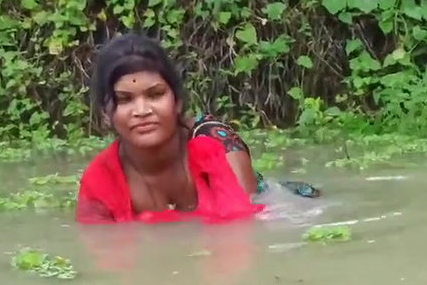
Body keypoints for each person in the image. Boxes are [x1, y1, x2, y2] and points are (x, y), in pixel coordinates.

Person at [74, 32, 317, 224]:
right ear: (106, 113)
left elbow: (243, 229)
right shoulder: (99, 181)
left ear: (177, 101)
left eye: (155, 95)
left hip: (282, 201)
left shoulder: (216, 144)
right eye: (125, 100)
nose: (142, 110)